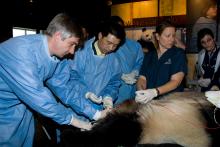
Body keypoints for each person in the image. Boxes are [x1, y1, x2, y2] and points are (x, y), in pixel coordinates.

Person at [0, 13, 93, 147]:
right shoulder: (22, 52)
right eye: (72, 44)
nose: (73, 52)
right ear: (58, 36)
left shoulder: (56, 57)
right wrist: (74, 120)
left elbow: (63, 88)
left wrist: (95, 113)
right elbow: (40, 98)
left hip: (22, 107)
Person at [46, 21, 126, 120]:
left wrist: (108, 97)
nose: (111, 48)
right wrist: (86, 93)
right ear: (100, 35)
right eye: (109, 43)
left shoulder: (115, 60)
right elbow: (70, 79)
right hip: (73, 109)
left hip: (99, 111)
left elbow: (114, 83)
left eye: (115, 45)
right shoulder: (79, 52)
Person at [135, 21, 187, 104]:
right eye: (167, 36)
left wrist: (155, 92)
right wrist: (142, 92)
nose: (172, 39)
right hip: (150, 103)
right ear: (157, 36)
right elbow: (142, 78)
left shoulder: (178, 54)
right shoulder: (150, 55)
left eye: (173, 35)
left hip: (171, 103)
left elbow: (176, 81)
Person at [109, 16, 144, 105]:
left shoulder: (135, 46)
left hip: (132, 93)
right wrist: (120, 76)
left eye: (121, 28)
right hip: (112, 95)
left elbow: (140, 62)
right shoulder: (107, 46)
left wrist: (135, 72)